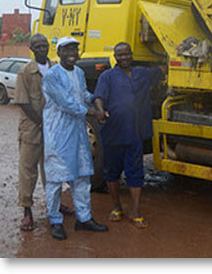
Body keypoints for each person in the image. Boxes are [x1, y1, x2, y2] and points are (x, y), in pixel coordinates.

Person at [42, 36, 108, 240]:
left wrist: (96, 101)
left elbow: (83, 94)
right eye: (67, 49)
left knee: (82, 177)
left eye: (75, 49)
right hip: (59, 134)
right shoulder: (52, 75)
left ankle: (84, 218)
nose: (72, 53)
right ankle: (55, 220)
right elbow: (66, 103)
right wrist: (94, 114)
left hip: (79, 134)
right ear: (59, 52)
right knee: (56, 179)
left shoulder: (79, 72)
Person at [93, 42, 163, 228]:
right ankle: (116, 207)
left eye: (126, 54)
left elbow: (162, 70)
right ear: (115, 57)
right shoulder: (107, 76)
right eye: (120, 55)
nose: (123, 58)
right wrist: (99, 111)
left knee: (135, 172)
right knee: (112, 172)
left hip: (134, 133)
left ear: (131, 55)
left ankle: (135, 210)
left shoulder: (141, 73)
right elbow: (98, 97)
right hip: (113, 132)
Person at [14, 33, 74, 231]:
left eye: (44, 45)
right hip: (32, 129)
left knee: (53, 170)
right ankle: (27, 211)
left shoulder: (57, 69)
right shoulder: (25, 72)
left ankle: (54, 205)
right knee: (28, 170)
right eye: (37, 46)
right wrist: (42, 122)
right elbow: (22, 102)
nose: (42, 49)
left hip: (53, 129)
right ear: (31, 49)